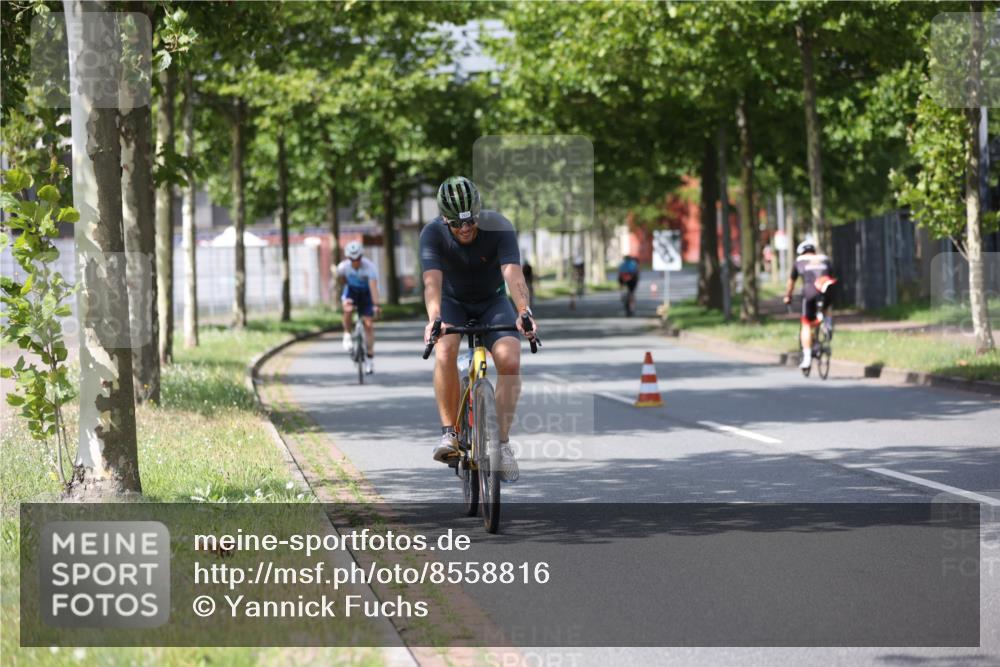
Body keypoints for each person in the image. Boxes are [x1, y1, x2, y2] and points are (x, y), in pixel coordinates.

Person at [420, 176, 538, 482]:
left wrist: (523, 311)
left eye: (470, 220)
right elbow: (432, 282)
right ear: (444, 219)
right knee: (445, 350)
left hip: (492, 301)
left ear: (479, 212)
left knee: (510, 360)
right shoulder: (432, 233)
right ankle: (449, 433)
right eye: (456, 224)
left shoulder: (499, 227)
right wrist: (435, 318)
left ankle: (501, 444)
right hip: (452, 303)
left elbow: (512, 273)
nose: (465, 228)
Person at [783, 241, 837, 370]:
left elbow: (791, 282)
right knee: (826, 305)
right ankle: (828, 323)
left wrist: (788, 296)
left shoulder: (799, 261)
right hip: (827, 289)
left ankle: (806, 357)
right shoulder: (824, 259)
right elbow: (831, 275)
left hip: (810, 292)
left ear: (801, 252)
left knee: (806, 324)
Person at [337, 241, 381, 374]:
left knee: (369, 324)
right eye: (352, 259)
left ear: (361, 256)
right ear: (348, 258)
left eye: (358, 258)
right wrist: (343, 299)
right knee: (347, 309)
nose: (355, 261)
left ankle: (369, 358)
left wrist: (376, 305)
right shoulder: (342, 267)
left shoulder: (370, 267)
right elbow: (341, 283)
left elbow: (373, 288)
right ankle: (347, 335)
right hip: (351, 291)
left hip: (366, 294)